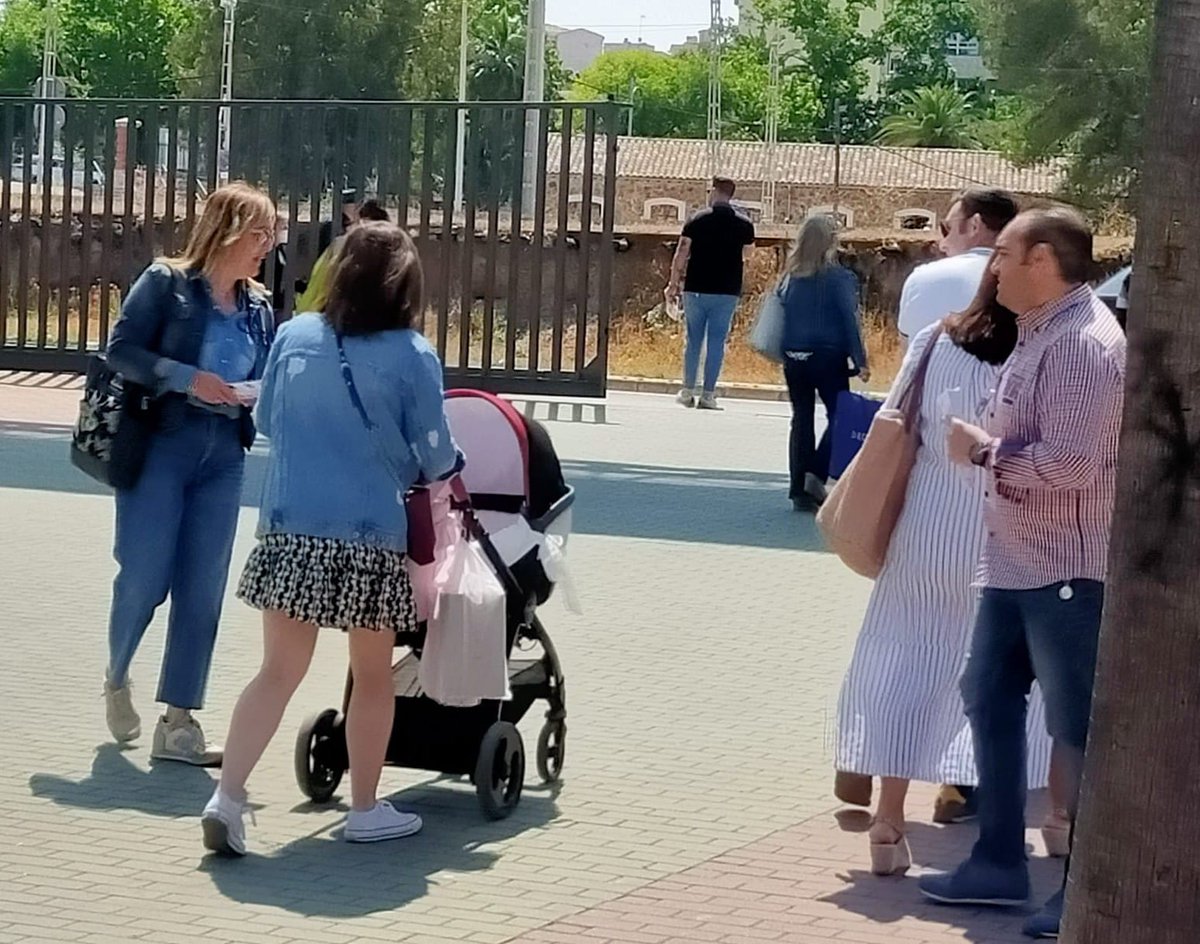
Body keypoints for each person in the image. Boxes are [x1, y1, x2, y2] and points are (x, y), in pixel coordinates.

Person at [200, 221, 462, 856]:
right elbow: (435, 453)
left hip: (290, 528)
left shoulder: (293, 336)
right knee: (371, 677)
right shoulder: (413, 353)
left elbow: (265, 418)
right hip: (371, 537)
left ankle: (227, 797)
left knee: (277, 672)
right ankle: (365, 808)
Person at [920, 208, 1125, 940]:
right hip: (1020, 564)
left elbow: (1072, 465)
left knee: (1078, 729)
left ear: (1042, 259)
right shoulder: (1046, 332)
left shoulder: (1077, 344)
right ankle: (999, 861)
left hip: (1064, 571)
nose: (991, 267)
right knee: (989, 696)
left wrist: (983, 453)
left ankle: (1085, 893)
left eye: (1002, 254)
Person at [833, 270, 1052, 876]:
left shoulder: (935, 339)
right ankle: (1051, 821)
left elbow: (896, 417)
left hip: (925, 533)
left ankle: (887, 822)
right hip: (1007, 531)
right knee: (1015, 678)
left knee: (904, 662)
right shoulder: (1049, 351)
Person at [102, 182, 277, 765]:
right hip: (162, 443)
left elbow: (270, 374)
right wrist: (184, 377)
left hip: (224, 453)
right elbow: (121, 351)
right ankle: (118, 671)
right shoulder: (166, 283)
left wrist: (257, 394)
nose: (268, 244)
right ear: (226, 230)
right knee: (145, 576)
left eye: (271, 233)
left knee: (203, 587)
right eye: (259, 232)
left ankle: (179, 722)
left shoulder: (259, 307)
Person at [883, 186, 1022, 823]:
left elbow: (907, 393)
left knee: (908, 644)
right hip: (1008, 512)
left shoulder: (928, 284)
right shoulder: (1047, 309)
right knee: (990, 652)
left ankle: (879, 784)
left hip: (930, 504)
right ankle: (963, 783)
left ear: (973, 225)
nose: (942, 236)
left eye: (947, 223)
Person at [775, 215, 868, 511]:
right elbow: (848, 320)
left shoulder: (789, 277)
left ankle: (797, 489)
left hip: (794, 357)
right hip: (828, 356)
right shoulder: (839, 277)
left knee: (800, 418)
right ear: (830, 242)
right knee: (840, 416)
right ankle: (815, 473)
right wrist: (860, 358)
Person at [665, 176, 756, 410]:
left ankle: (687, 391)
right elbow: (748, 254)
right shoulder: (744, 225)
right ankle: (708, 394)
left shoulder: (696, 220)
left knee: (693, 340)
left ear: (715, 191)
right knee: (717, 341)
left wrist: (673, 284)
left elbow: (681, 252)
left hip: (696, 287)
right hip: (727, 290)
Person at [898, 188, 1020, 345]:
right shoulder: (1035, 284)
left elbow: (909, 355)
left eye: (947, 229)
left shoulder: (922, 277)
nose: (942, 244)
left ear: (974, 225)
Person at [295, 198, 389, 313]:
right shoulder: (392, 252)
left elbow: (318, 286)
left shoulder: (340, 246)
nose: (349, 227)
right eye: (347, 222)